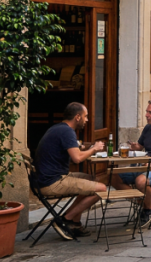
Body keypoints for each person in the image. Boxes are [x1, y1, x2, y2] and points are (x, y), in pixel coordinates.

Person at [32, 102, 107, 238]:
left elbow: (74, 150)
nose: (87, 120)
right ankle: (65, 219)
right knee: (101, 189)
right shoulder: (67, 131)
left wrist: (85, 148)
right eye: (86, 116)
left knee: (93, 180)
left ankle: (75, 223)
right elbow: (77, 158)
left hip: (45, 179)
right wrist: (94, 149)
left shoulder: (59, 128)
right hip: (52, 182)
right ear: (77, 117)